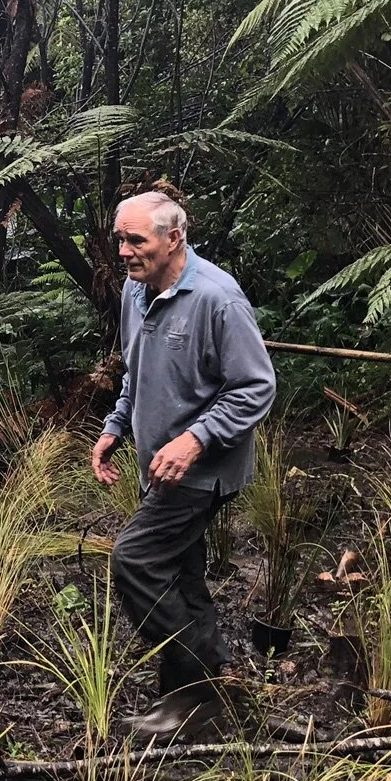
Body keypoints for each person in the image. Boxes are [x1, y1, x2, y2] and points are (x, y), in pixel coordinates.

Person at [90, 189, 276, 741]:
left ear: (174, 238)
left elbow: (257, 386)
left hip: (201, 470)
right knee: (182, 572)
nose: (123, 251)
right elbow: (136, 371)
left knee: (136, 561)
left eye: (135, 240)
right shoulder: (135, 290)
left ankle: (194, 697)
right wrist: (115, 426)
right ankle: (219, 675)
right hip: (158, 464)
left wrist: (196, 439)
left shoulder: (218, 299)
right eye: (119, 238)